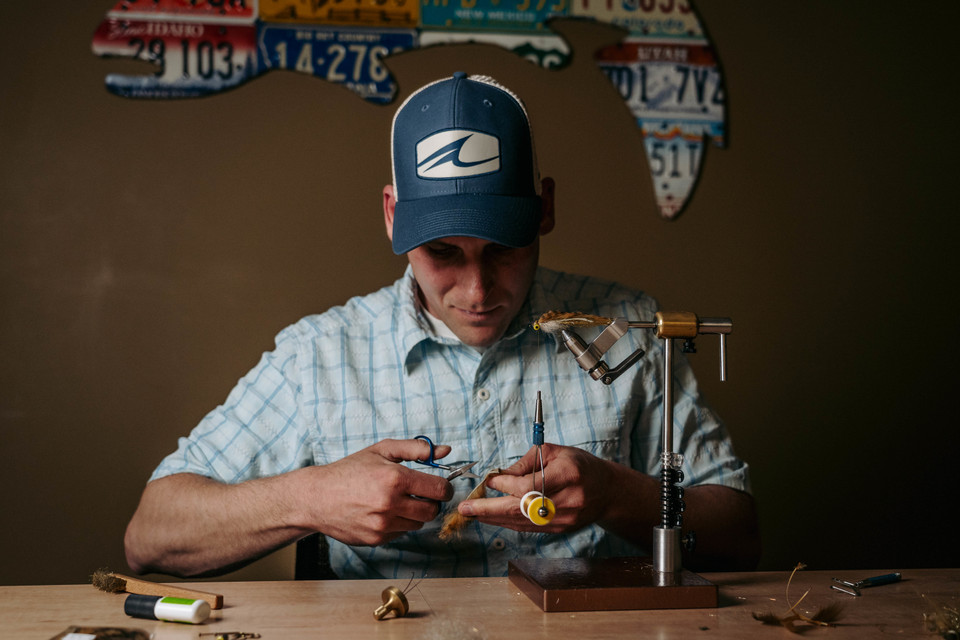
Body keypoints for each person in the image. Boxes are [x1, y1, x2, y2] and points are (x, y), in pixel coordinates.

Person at [124, 72, 759, 580]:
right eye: (444, 254)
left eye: (503, 250)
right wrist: (310, 499)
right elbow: (151, 539)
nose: (478, 292)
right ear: (392, 215)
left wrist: (614, 495)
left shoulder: (625, 329)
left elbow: (739, 536)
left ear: (545, 209)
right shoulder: (318, 357)